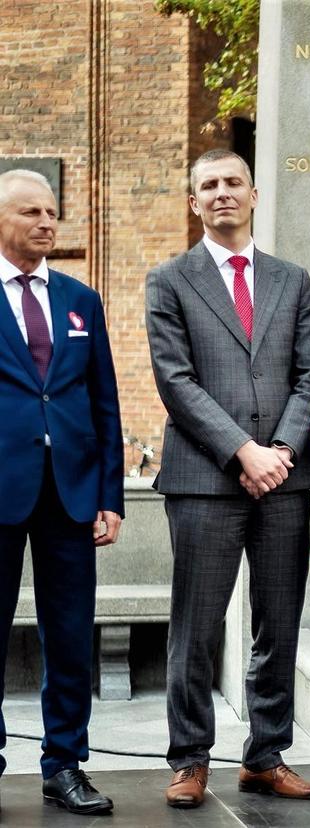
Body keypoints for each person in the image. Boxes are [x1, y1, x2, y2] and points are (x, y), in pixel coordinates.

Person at [146, 150, 310, 808]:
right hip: (204, 477)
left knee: (278, 622)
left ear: (254, 194)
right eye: (208, 186)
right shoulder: (169, 280)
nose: (222, 193)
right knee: (197, 624)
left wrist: (279, 448)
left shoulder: (291, 279)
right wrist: (242, 451)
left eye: (232, 183)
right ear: (194, 202)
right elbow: (177, 381)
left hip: (284, 476)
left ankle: (265, 756)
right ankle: (190, 758)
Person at [0, 169, 123, 815]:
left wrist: (111, 496)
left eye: (52, 212)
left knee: (70, 636)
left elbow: (105, 403)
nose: (46, 222)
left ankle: (64, 764)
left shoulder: (81, 299)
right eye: (30, 212)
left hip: (72, 494)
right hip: (1, 488)